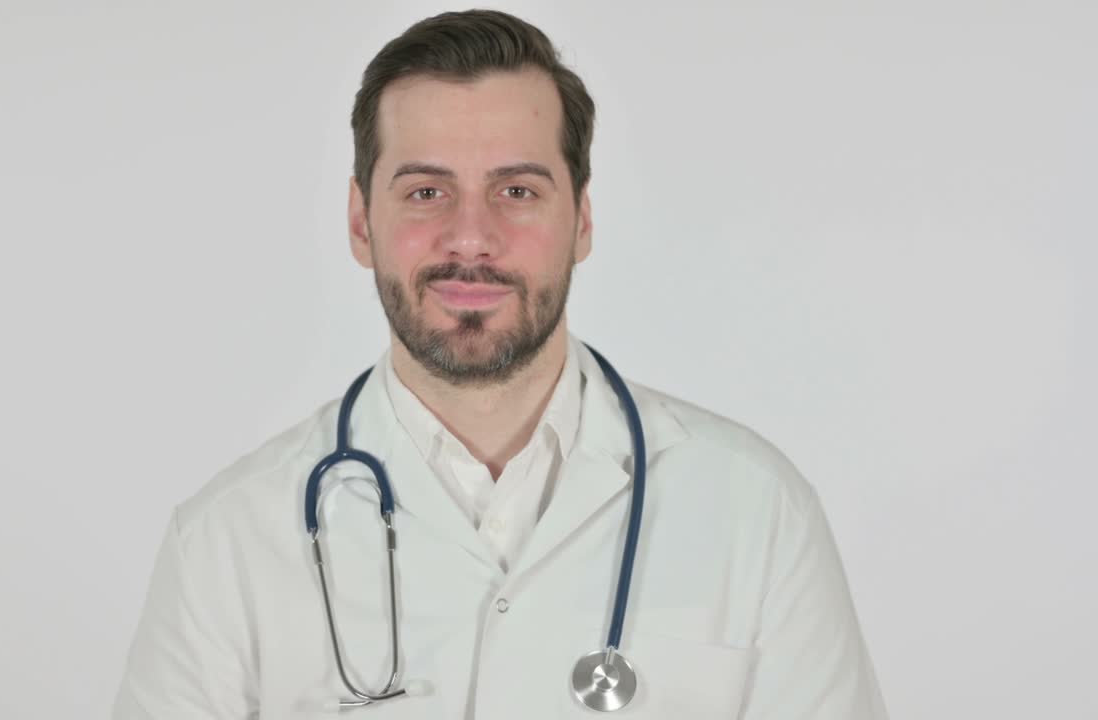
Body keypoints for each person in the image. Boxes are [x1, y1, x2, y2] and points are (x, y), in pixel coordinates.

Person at [112, 9, 888, 719]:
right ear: (360, 222)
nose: (471, 237)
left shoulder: (758, 516)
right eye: (426, 192)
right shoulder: (226, 545)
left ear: (581, 220)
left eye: (516, 189)